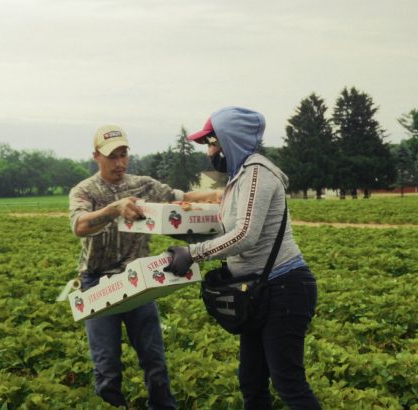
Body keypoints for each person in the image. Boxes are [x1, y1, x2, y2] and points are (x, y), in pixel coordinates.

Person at [165, 107, 322, 409]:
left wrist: (194, 254)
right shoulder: (239, 177)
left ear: (229, 139)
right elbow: (226, 226)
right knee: (251, 381)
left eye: (212, 142)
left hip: (283, 289)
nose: (209, 151)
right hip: (259, 291)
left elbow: (245, 235)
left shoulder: (257, 174)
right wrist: (183, 233)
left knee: (288, 382)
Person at [69, 124, 218, 409]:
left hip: (138, 277)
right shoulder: (85, 191)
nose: (120, 162)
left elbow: (180, 197)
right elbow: (79, 226)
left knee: (153, 357)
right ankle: (112, 403)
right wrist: (113, 209)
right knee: (106, 365)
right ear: (96, 156)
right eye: (112, 156)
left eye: (124, 154)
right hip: (97, 282)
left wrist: (213, 197)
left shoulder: (142, 186)